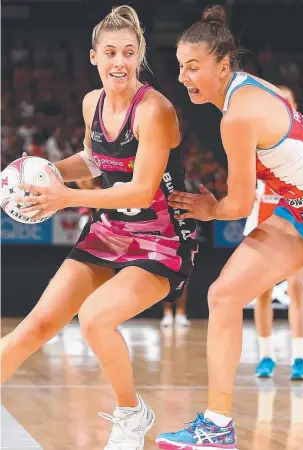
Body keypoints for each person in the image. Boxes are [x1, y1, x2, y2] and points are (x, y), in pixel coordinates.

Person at [0, 6, 197, 450]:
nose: (119, 62)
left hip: (161, 240)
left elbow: (141, 192)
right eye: (110, 52)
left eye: (129, 52)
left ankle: (131, 413)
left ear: (140, 56)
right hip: (107, 232)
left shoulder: (156, 111)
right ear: (94, 57)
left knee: (94, 318)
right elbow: (94, 159)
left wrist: (65, 197)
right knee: (34, 327)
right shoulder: (94, 102)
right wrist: (43, 172)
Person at [156, 5, 303, 450]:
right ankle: (217, 427)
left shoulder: (236, 116)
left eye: (194, 67)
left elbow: (238, 205)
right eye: (181, 66)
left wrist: (206, 207)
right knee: (223, 294)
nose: (184, 77)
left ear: (223, 66)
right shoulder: (246, 87)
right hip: (300, 210)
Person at [244, 86, 303, 380]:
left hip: (298, 220)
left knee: (297, 287)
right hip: (264, 218)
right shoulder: (255, 139)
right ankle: (266, 356)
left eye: (288, 100)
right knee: (262, 292)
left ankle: (300, 358)